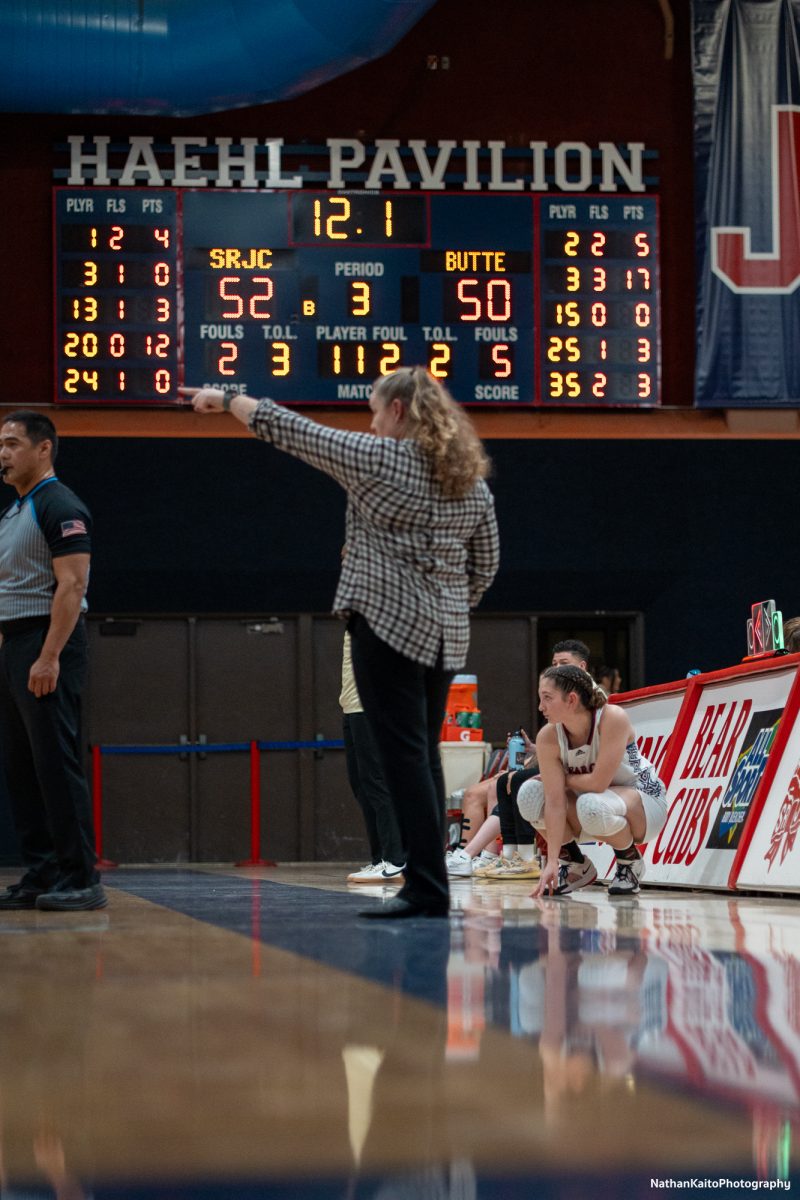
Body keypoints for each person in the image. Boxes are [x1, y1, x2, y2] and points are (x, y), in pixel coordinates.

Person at [182, 367, 499, 918]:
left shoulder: (380, 459)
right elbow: (487, 565)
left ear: (398, 411)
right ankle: (429, 884)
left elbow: (291, 430)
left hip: (385, 627)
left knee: (400, 757)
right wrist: (448, 602)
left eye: (376, 410)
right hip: (447, 634)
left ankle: (425, 887)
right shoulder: (470, 480)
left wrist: (228, 396)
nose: (372, 422)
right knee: (422, 756)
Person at [0, 411, 105, 912]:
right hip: (16, 646)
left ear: (43, 450)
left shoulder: (59, 503)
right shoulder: (14, 511)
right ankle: (42, 873)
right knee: (24, 769)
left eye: (14, 443)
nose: (3, 453)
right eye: (1, 444)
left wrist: (48, 656)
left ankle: (82, 878)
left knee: (57, 767)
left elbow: (73, 585)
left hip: (48, 644)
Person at [446, 639, 590, 879]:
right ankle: (501, 856)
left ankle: (503, 856)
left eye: (563, 663)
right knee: (502, 783)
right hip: (561, 765)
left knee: (520, 783)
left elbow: (579, 748)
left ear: (582, 667)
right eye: (554, 664)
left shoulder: (590, 702)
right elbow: (559, 744)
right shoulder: (559, 699)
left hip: (582, 771)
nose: (556, 668)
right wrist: (535, 750)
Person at [528, 664, 667, 898]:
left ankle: (629, 862)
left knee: (591, 803)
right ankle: (574, 863)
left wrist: (562, 778)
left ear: (571, 699)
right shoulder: (548, 736)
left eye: (547, 698)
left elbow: (598, 783)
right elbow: (554, 801)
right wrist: (551, 861)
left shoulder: (612, 718)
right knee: (531, 794)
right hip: (597, 807)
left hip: (644, 803)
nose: (541, 707)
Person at [340, 630, 405, 884]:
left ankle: (395, 858)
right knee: (361, 783)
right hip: (351, 707)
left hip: (371, 707)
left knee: (377, 782)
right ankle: (380, 859)